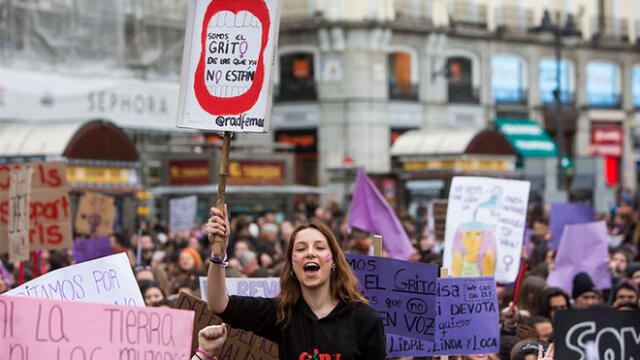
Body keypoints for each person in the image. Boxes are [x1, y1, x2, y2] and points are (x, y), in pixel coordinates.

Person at [205, 205, 386, 360]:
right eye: (301, 248)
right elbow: (219, 303)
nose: (310, 253)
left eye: (320, 247)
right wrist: (218, 253)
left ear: (333, 262)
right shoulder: (282, 314)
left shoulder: (366, 319)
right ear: (292, 265)